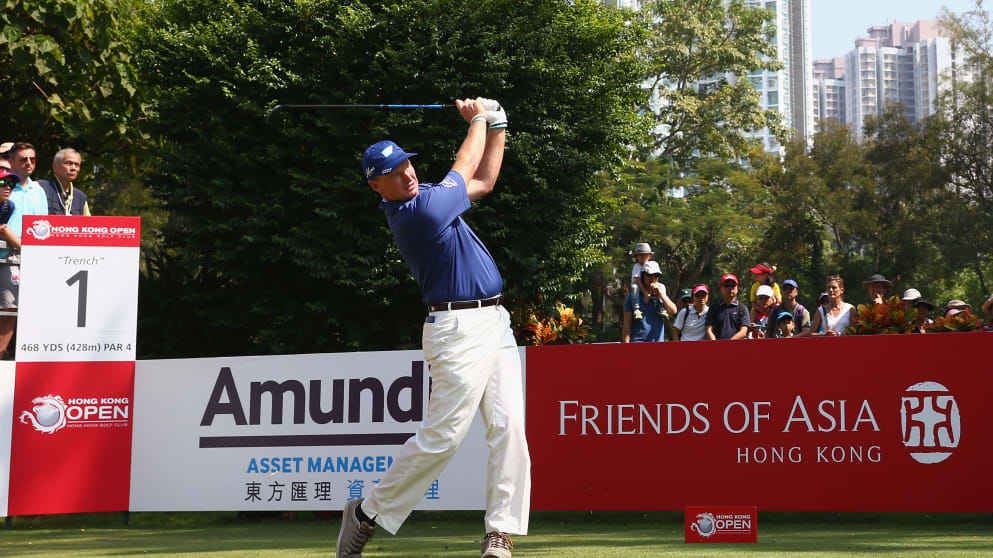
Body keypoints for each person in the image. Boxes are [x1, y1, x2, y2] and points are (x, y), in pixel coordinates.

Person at [336, 98, 528, 558]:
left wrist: (498, 124)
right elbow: (465, 163)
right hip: (457, 328)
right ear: (376, 186)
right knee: (444, 437)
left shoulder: (427, 199)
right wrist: (478, 118)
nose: (406, 174)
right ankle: (365, 513)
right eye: (394, 172)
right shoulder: (417, 213)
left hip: (495, 321)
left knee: (509, 428)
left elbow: (484, 179)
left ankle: (499, 532)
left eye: (406, 164)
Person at [622, 260, 676, 343]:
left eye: (656, 275)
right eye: (649, 275)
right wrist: (626, 346)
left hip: (657, 345)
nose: (652, 278)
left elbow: (673, 310)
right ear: (643, 275)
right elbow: (627, 325)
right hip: (637, 344)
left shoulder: (661, 294)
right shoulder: (632, 297)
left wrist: (661, 294)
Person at [0, 168, 20, 358]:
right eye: (2, 183)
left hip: (5, 259)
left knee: (9, 308)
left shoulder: (9, 206)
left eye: (11, 184)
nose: (8, 187)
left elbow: (2, 229)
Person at [38, 148, 90, 216]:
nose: (73, 168)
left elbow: (88, 224)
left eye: (77, 165)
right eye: (69, 163)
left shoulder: (81, 198)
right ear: (55, 166)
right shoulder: (40, 188)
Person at [705, 274, 749, 340]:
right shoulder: (713, 308)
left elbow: (743, 331)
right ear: (721, 288)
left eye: (733, 285)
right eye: (726, 285)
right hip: (716, 347)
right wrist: (715, 344)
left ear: (737, 288)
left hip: (736, 348)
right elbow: (708, 330)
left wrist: (728, 344)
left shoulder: (742, 308)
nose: (730, 288)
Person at [628, 242, 654, 320]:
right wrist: (645, 293)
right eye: (640, 255)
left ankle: (661, 306)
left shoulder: (652, 265)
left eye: (645, 255)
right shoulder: (637, 266)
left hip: (649, 286)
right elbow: (638, 281)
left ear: (650, 256)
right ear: (636, 257)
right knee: (634, 287)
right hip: (639, 286)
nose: (643, 257)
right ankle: (636, 309)